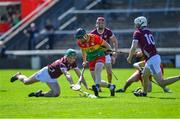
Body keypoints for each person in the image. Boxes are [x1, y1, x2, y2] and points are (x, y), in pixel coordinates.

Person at [127, 16, 180, 97]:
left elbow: (133, 47)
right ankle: (144, 93)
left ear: (141, 23)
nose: (135, 25)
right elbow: (148, 45)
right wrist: (142, 52)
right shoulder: (148, 31)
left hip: (152, 60)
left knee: (161, 82)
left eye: (137, 23)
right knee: (144, 75)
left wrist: (130, 57)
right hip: (154, 57)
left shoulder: (137, 32)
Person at [10, 49, 89, 97]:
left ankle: (39, 94)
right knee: (26, 82)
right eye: (71, 58)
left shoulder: (73, 62)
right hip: (45, 73)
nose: (73, 59)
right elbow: (67, 74)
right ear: (67, 56)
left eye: (74, 58)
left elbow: (79, 74)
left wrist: (86, 86)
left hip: (52, 78)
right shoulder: (62, 62)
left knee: (56, 93)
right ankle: (18, 76)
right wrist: (72, 83)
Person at [75, 28, 116, 97]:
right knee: (97, 80)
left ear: (85, 35)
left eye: (80, 37)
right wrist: (84, 61)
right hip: (91, 59)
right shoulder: (79, 42)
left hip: (100, 56)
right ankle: (111, 86)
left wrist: (109, 51)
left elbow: (107, 45)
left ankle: (96, 87)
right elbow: (83, 51)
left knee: (97, 71)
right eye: (78, 38)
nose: (79, 39)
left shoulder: (95, 38)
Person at [91, 17, 118, 84]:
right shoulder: (92, 33)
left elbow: (115, 42)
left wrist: (114, 54)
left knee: (109, 73)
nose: (100, 24)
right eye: (99, 23)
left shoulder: (108, 31)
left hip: (106, 55)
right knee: (97, 73)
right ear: (96, 24)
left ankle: (110, 86)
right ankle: (98, 86)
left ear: (104, 24)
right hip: (97, 56)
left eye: (102, 23)